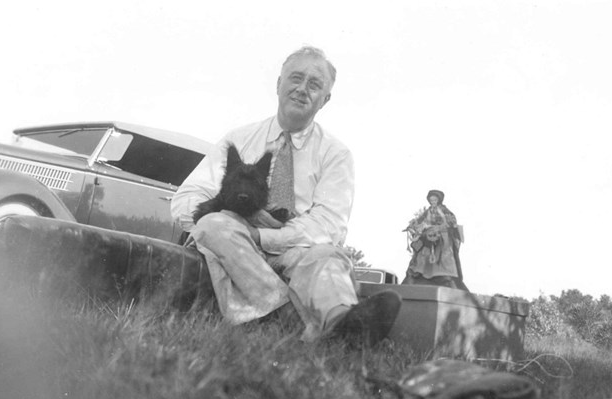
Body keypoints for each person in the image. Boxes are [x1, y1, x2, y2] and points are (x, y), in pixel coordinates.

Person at [171, 46, 401, 343]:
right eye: (296, 78)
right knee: (212, 226)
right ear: (279, 83)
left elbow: (330, 224)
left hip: (297, 249)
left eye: (314, 85)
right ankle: (289, 319)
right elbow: (186, 197)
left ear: (325, 100)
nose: (302, 89)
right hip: (237, 239)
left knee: (328, 255)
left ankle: (344, 322)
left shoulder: (336, 154)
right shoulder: (238, 139)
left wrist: (265, 237)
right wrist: (229, 218)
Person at [401, 190, 468, 290]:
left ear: (439, 200)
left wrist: (440, 227)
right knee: (422, 252)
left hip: (442, 237)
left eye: (435, 200)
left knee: (444, 255)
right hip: (428, 236)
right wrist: (413, 225)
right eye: (431, 200)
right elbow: (419, 220)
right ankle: (418, 272)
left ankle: (444, 275)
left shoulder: (444, 210)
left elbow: (452, 221)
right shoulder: (428, 211)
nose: (433, 202)